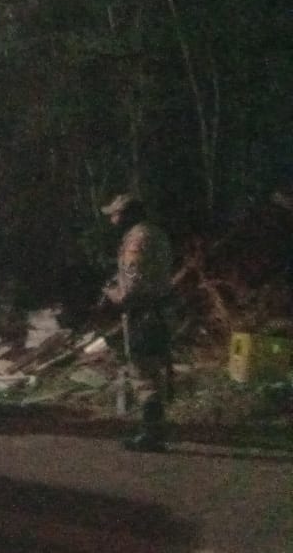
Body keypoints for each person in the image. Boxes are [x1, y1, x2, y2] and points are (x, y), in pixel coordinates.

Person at [98, 193, 175, 452]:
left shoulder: (136, 240)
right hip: (159, 311)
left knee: (142, 372)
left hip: (143, 313)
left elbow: (133, 284)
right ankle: (155, 431)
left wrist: (112, 294)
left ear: (127, 215)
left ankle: (151, 434)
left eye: (115, 214)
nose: (112, 220)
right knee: (152, 371)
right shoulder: (156, 234)